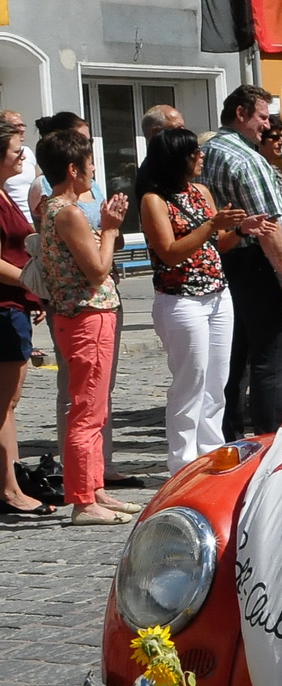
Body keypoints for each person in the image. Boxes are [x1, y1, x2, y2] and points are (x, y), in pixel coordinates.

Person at [136, 128, 270, 472]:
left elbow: (217, 244)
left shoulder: (201, 191)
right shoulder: (154, 200)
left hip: (217, 293)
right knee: (190, 379)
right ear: (176, 159)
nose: (201, 157)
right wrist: (212, 225)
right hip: (182, 299)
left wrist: (239, 231)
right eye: (194, 152)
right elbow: (169, 252)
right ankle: (182, 461)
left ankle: (210, 450)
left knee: (217, 380)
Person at [36, 130, 136, 524]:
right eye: (90, 164)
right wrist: (109, 228)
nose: (95, 170)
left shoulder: (54, 207)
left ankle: (93, 487)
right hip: (86, 314)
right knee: (87, 410)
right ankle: (82, 499)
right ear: (73, 169)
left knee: (95, 407)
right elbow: (96, 270)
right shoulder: (68, 212)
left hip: (81, 315)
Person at [203, 84, 282, 441]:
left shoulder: (207, 150)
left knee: (235, 359)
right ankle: (268, 438)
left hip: (227, 262)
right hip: (259, 263)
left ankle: (228, 436)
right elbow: (268, 225)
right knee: (269, 361)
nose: (266, 124)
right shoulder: (246, 158)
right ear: (241, 114)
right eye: (262, 117)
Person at [0, 127, 53, 518]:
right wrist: (29, 281)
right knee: (4, 404)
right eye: (17, 150)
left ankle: (13, 479)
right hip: (3, 307)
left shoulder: (5, 192)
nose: (23, 156)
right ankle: (8, 489)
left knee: (9, 403)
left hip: (14, 305)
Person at [1, 112, 39, 219]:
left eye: (23, 125)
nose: (22, 129)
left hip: (30, 218)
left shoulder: (28, 152)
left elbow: (36, 183)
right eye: (17, 126)